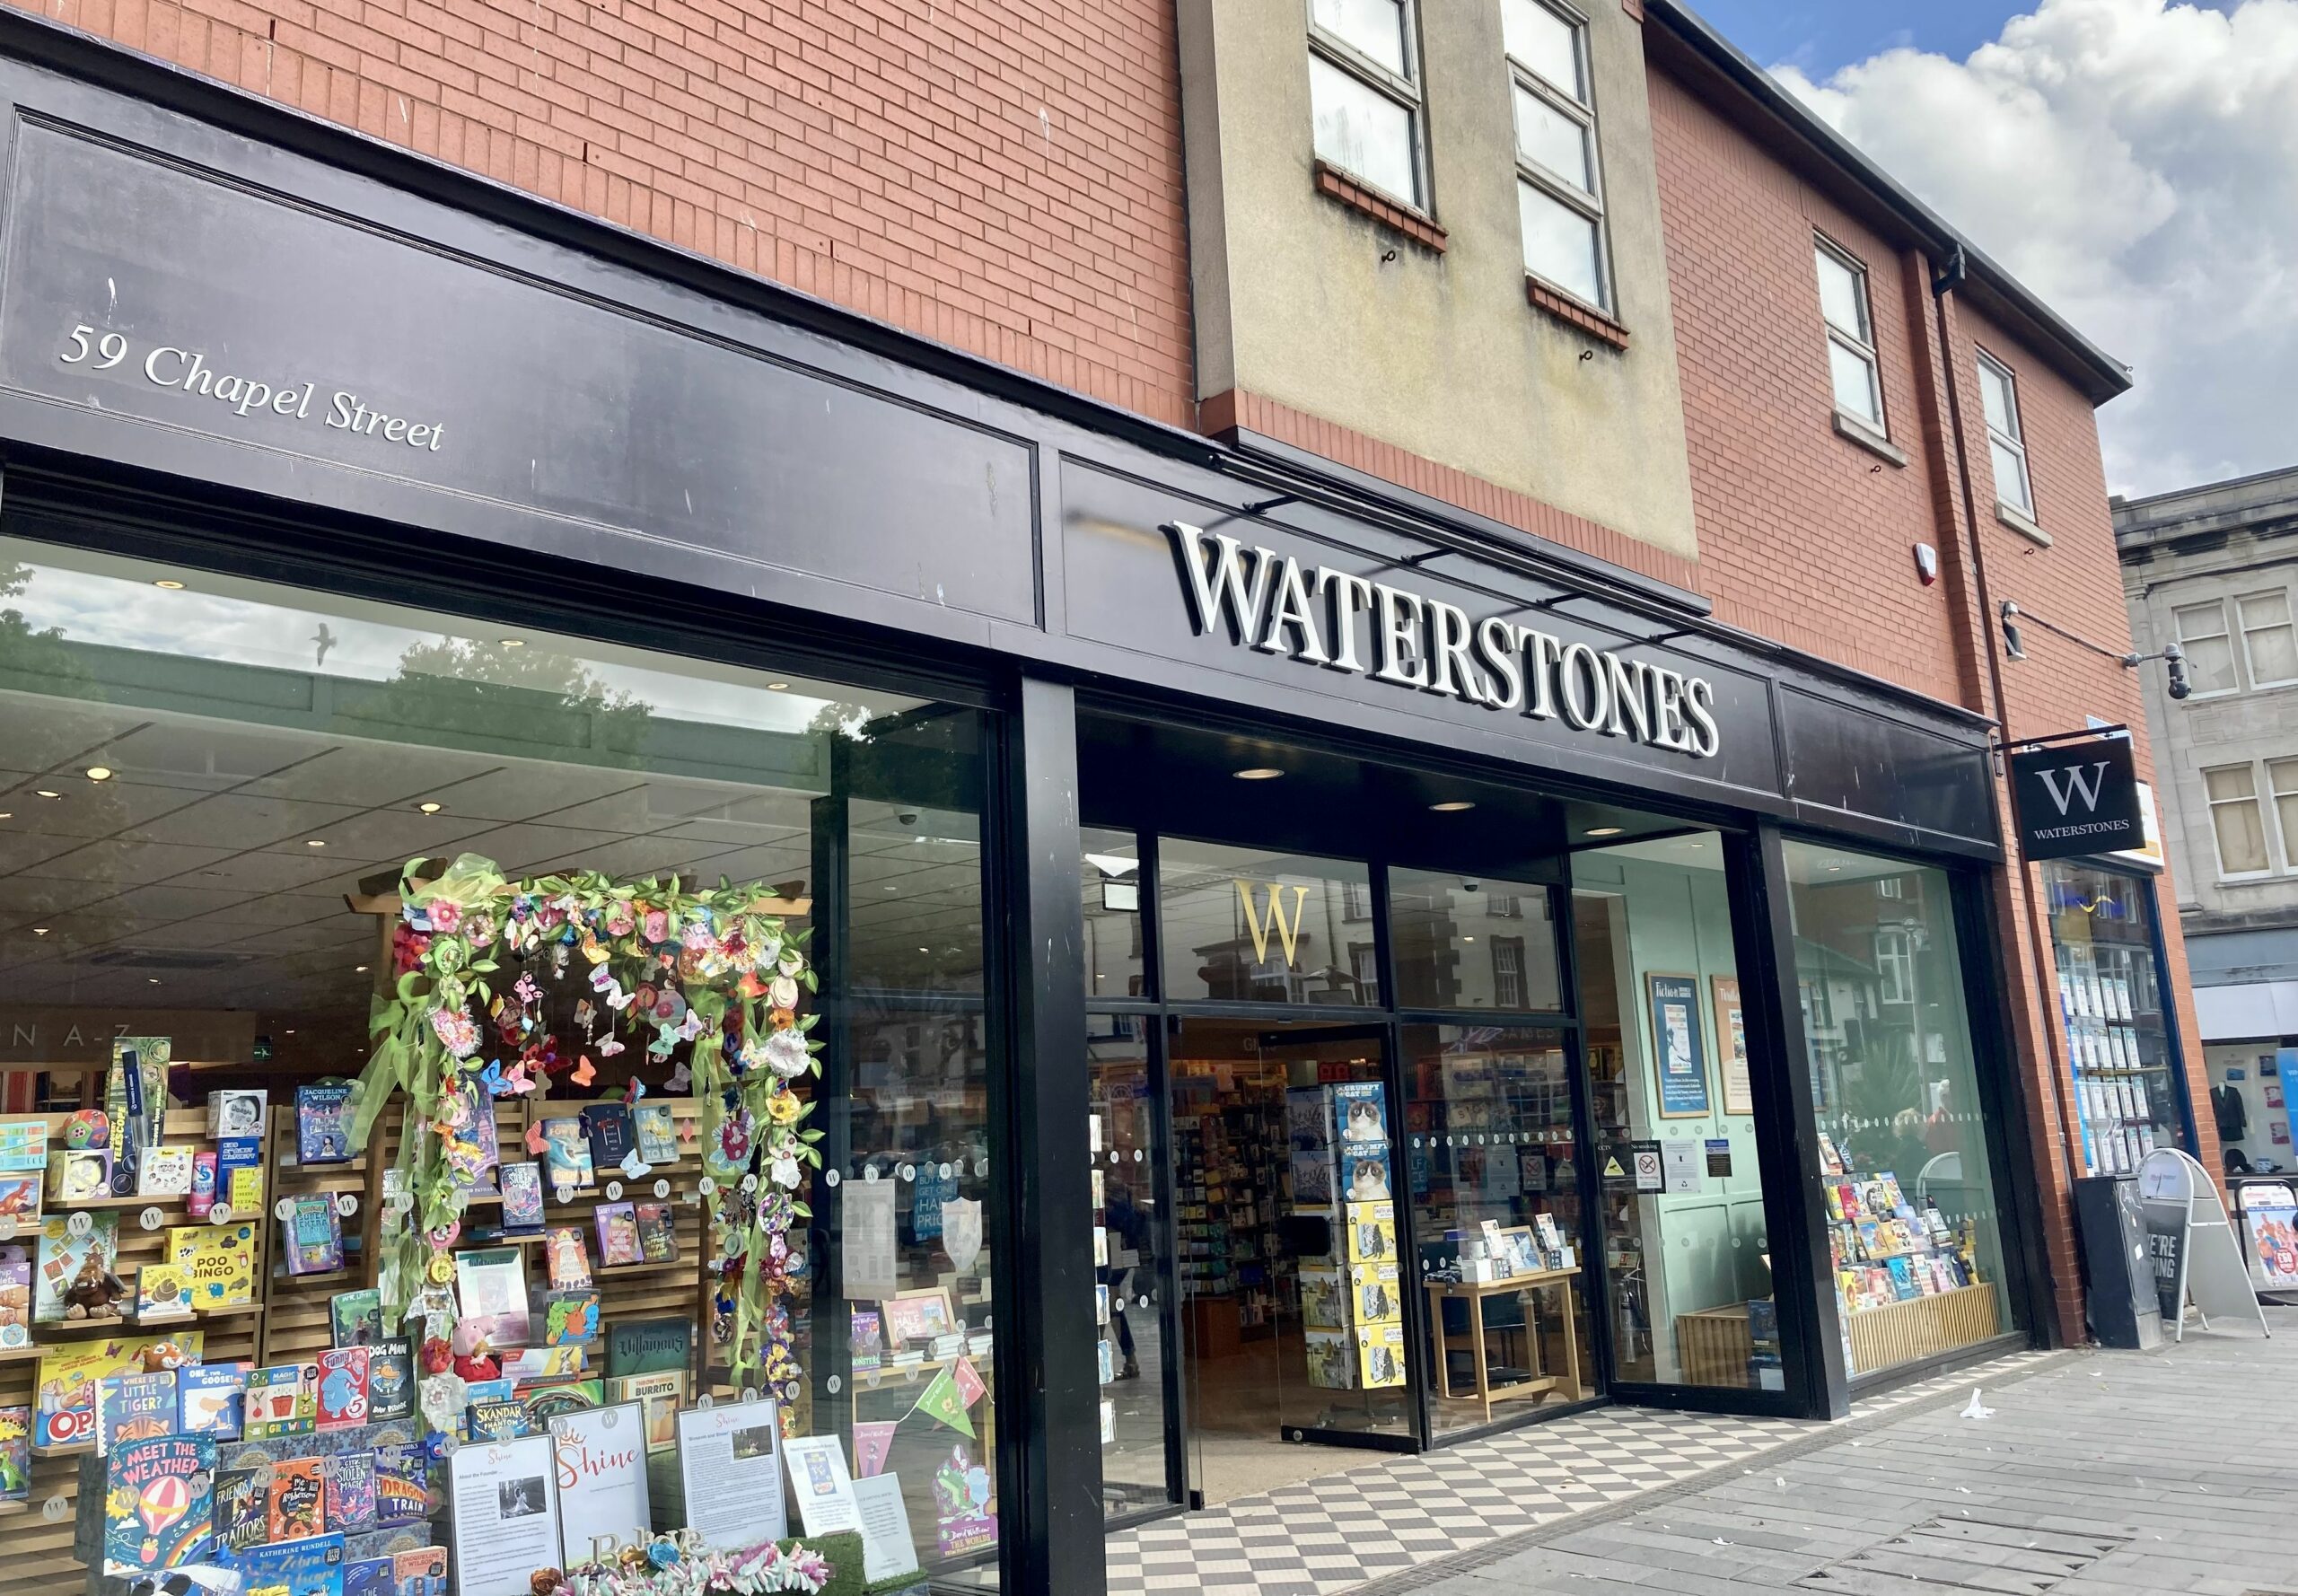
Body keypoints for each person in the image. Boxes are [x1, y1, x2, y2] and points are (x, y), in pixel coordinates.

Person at [1103, 1179, 1150, 1379]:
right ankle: (1129, 1359)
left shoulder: (1112, 1192)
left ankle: (1129, 1359)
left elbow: (1123, 1220)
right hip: (1116, 1254)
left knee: (1110, 1306)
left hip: (1114, 1255)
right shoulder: (1118, 1190)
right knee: (1109, 1306)